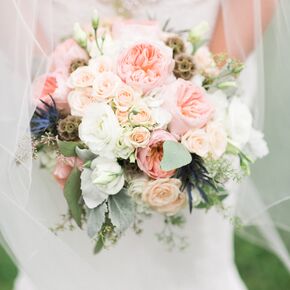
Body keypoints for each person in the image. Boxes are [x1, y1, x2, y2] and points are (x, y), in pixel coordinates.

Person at [0, 1, 289, 290]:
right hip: (57, 42)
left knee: (190, 239)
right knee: (68, 234)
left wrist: (204, 88)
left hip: (200, 39)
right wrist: (60, 86)